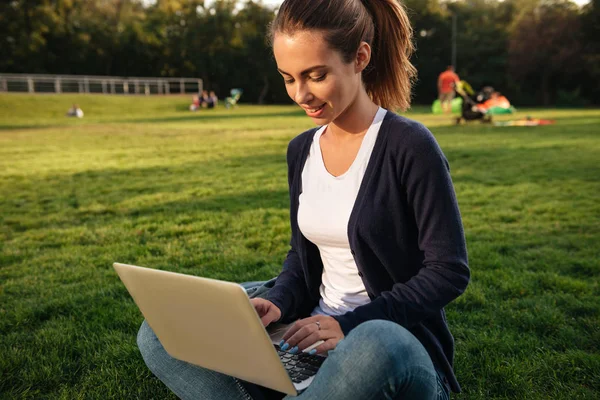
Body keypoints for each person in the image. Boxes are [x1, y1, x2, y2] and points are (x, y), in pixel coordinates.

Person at [137, 1, 470, 399]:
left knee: (376, 341)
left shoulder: (409, 146)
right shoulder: (302, 151)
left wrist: (350, 325)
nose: (301, 94)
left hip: (389, 346)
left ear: (360, 57)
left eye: (316, 75)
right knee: (163, 326)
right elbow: (302, 257)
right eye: (288, 78)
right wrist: (278, 301)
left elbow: (448, 271)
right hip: (306, 334)